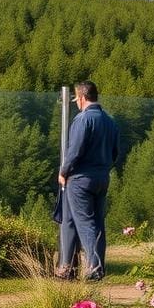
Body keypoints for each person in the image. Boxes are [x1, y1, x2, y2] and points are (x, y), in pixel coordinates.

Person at [56, 80, 119, 281]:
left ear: (82, 97)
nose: (75, 101)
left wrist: (64, 172)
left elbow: (74, 151)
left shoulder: (83, 120)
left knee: (85, 223)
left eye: (75, 98)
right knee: (98, 223)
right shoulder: (110, 122)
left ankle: (94, 268)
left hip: (81, 179)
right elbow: (115, 152)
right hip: (102, 177)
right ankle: (84, 266)